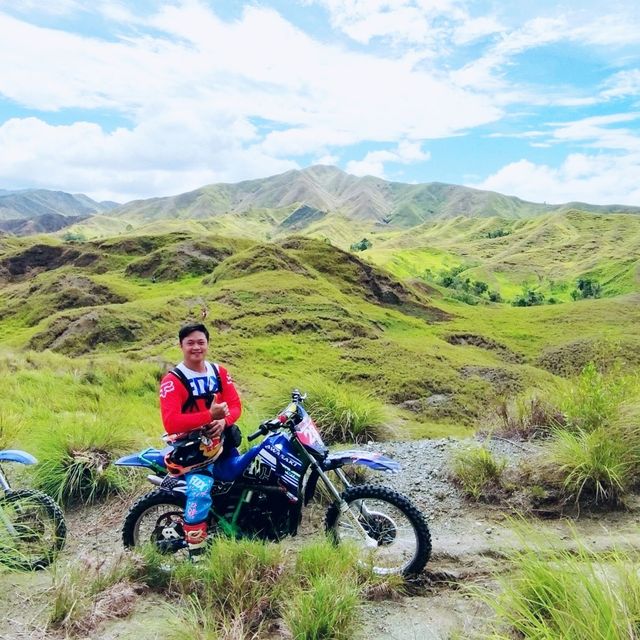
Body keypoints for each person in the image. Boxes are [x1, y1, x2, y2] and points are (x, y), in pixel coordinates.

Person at [159, 323, 242, 560]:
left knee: (239, 482)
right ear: (181, 346)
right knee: (200, 493)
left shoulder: (219, 372)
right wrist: (209, 416)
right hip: (193, 454)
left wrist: (224, 422)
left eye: (200, 342)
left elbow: (235, 405)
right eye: (190, 343)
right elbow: (171, 422)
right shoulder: (173, 381)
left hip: (223, 444)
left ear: (207, 344)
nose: (196, 347)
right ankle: (197, 557)